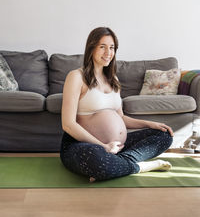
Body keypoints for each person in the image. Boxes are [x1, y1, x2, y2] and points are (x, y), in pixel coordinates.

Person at [60, 27, 173, 182]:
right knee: (94, 158)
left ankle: (114, 165)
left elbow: (120, 117)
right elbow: (68, 124)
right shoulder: (76, 77)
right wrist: (103, 146)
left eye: (112, 47)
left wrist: (150, 124)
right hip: (84, 145)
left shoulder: (114, 79)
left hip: (117, 147)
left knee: (164, 135)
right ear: (91, 48)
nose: (108, 52)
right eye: (102, 47)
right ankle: (138, 167)